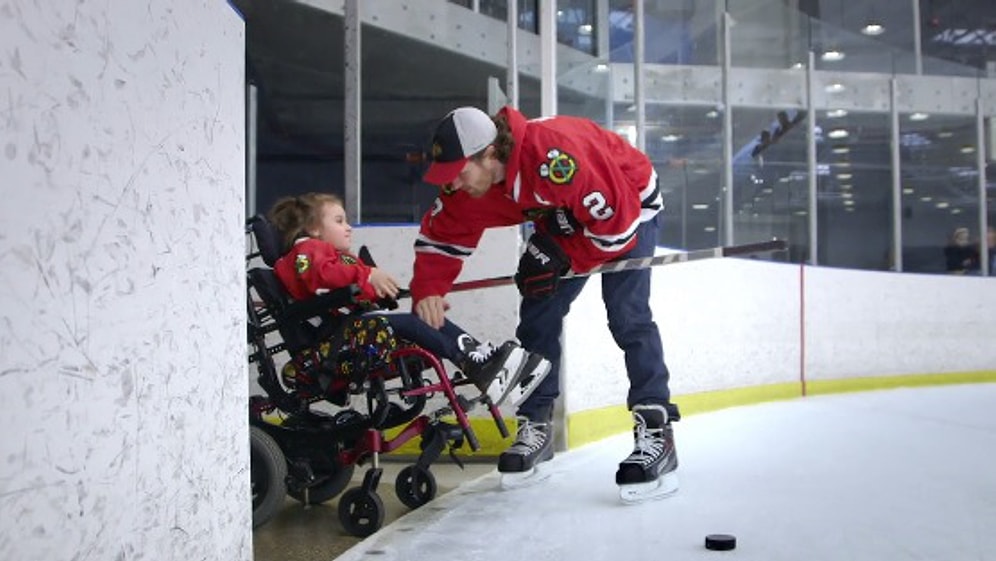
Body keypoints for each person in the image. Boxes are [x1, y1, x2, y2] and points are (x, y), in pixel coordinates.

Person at [410, 106, 679, 500]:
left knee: (628, 315)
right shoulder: (470, 185)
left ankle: (656, 427)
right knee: (538, 312)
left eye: (459, 172)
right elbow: (443, 236)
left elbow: (616, 228)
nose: (454, 184)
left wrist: (565, 259)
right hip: (563, 215)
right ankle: (536, 424)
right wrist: (429, 288)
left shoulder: (554, 159)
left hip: (628, 203)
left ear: (489, 154)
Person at [267, 192, 551, 407]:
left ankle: (480, 359)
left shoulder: (333, 255)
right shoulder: (307, 251)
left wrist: (378, 289)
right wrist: (366, 277)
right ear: (314, 229)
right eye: (339, 221)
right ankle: (475, 364)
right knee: (414, 323)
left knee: (428, 317)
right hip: (335, 339)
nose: (349, 227)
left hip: (351, 330)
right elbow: (321, 277)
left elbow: (343, 287)